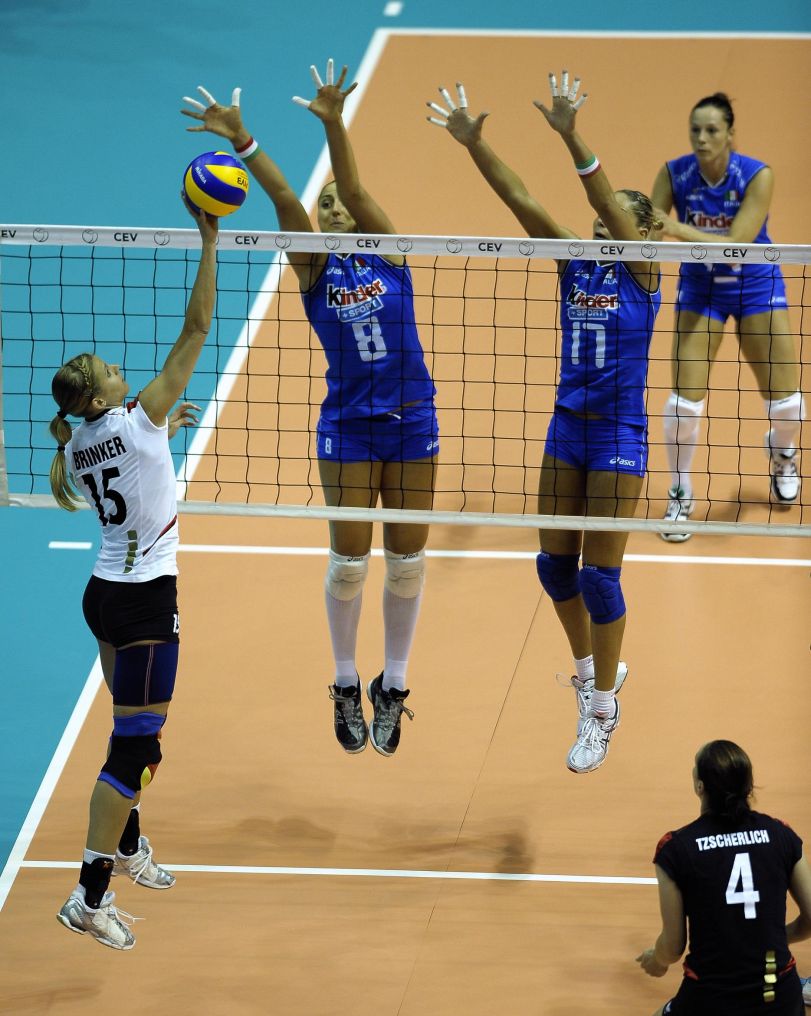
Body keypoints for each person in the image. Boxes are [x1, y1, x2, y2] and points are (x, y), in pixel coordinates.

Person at [182, 61, 437, 758]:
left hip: (412, 418)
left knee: (407, 562)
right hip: (348, 427)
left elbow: (352, 187)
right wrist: (242, 140)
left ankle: (394, 683)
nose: (332, 211)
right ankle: (346, 681)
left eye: (339, 206)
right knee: (350, 563)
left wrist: (333, 124)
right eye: (324, 209)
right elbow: (282, 198)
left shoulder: (392, 257)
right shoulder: (314, 271)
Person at [428, 71, 661, 773]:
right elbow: (521, 200)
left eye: (613, 224)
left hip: (617, 435)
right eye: (596, 227)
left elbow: (602, 199)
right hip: (567, 430)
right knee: (554, 568)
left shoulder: (644, 272)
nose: (600, 230)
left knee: (600, 579)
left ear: (644, 234)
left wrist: (571, 136)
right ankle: (590, 673)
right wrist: (474, 144)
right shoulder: (574, 266)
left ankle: (603, 711)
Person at [50, 200, 218, 949]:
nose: (123, 370)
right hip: (146, 603)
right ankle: (89, 897)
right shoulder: (137, 420)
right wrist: (209, 238)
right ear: (99, 398)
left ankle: (125, 845)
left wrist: (160, 435)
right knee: (137, 749)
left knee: (132, 737)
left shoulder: (78, 443)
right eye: (112, 371)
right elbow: (196, 329)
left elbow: (127, 460)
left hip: (104, 598)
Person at [652, 92, 805, 542]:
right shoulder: (674, 173)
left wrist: (675, 228)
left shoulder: (756, 175)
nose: (701, 138)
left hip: (755, 283)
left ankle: (783, 452)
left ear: (730, 134)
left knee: (789, 405)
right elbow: (648, 227)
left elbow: (738, 243)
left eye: (712, 130)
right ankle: (680, 492)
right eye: (695, 130)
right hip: (701, 290)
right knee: (682, 404)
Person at [637, 740, 811, 1015]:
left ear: (700, 786)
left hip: (711, 996)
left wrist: (656, 959)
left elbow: (673, 946)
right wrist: (769, 938)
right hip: (777, 994)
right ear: (748, 786)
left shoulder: (676, 848)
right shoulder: (781, 834)